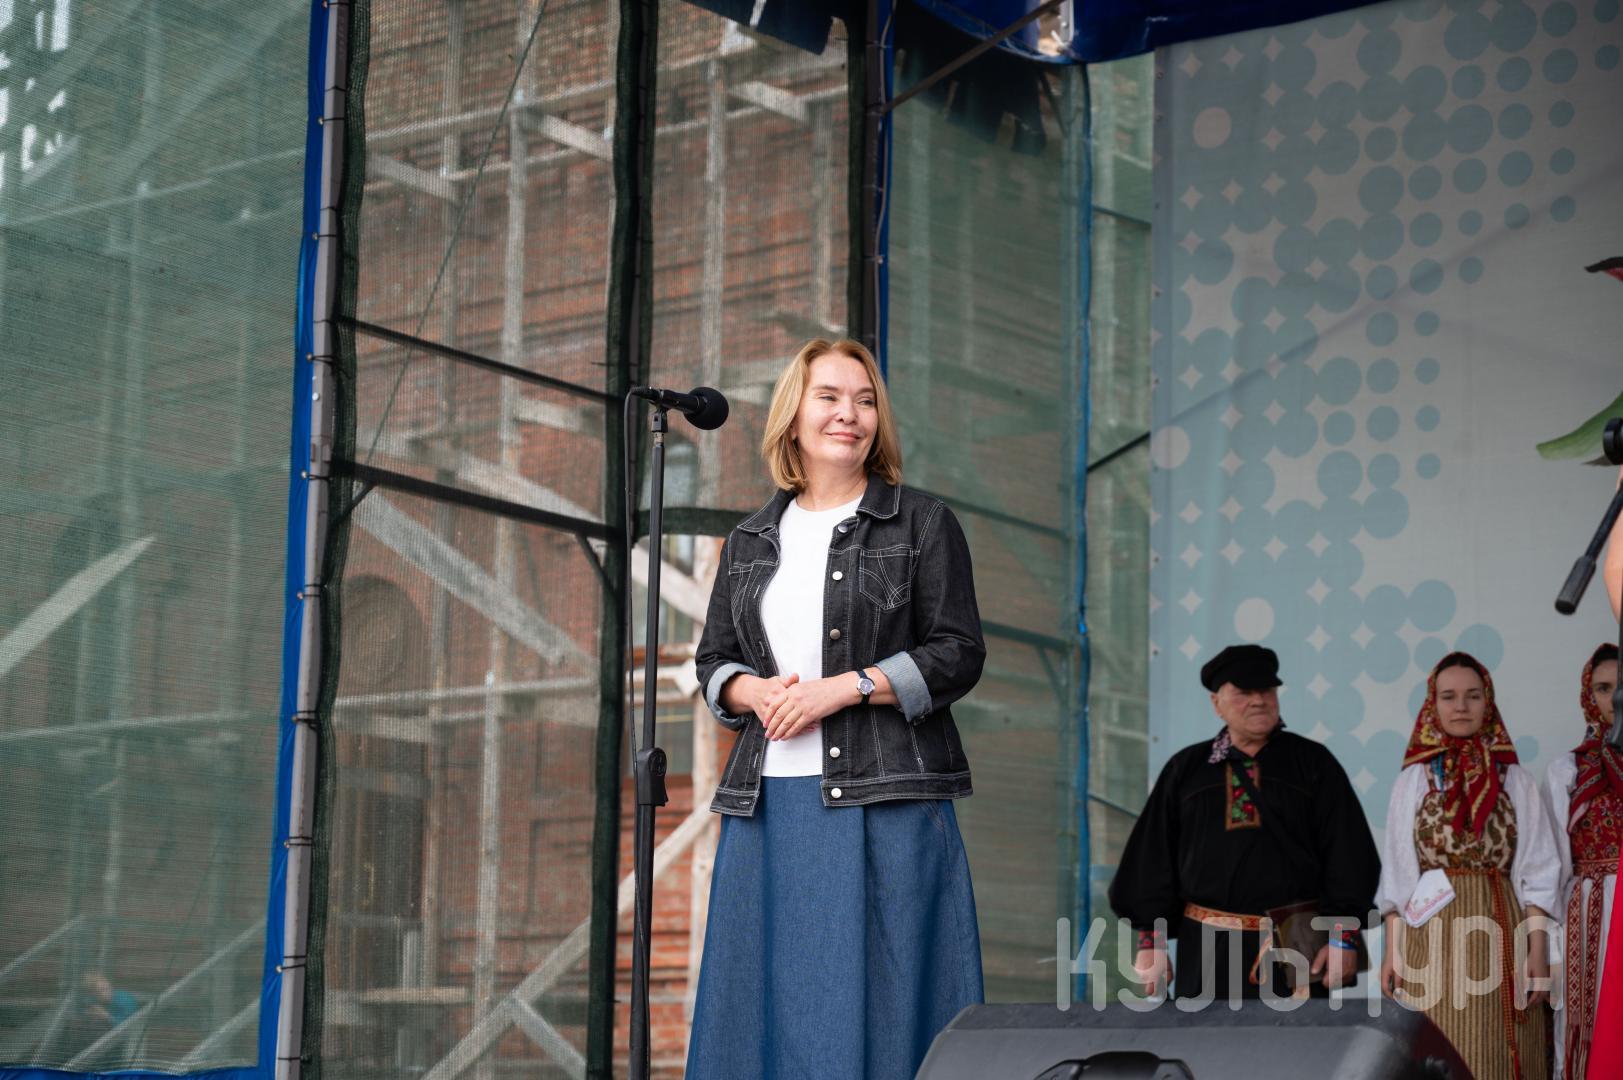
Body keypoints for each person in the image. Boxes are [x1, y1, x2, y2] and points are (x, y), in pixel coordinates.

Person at [686, 339, 986, 1080]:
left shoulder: (922, 523)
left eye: (864, 400)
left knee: (891, 1005)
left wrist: (846, 686)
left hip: (887, 800)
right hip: (768, 807)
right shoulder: (749, 539)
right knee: (763, 1010)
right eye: (828, 396)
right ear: (793, 416)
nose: (848, 413)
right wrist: (751, 691)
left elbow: (957, 652)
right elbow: (713, 661)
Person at [1109, 644, 1381, 1000]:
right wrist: (1152, 944)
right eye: (1243, 692)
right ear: (1216, 703)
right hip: (1205, 949)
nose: (1258, 701)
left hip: (1296, 948)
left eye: (1266, 690)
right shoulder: (1186, 770)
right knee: (1205, 1037)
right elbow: (1151, 860)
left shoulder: (1313, 763)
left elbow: (1348, 854)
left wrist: (1343, 938)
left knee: (1299, 1039)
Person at [1376, 652, 1559, 1080]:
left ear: (1487, 702)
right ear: (1432, 705)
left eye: (1473, 696)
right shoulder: (1414, 781)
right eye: (1449, 696)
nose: (1461, 706)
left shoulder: (1515, 780)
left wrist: (1537, 951)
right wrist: (1393, 953)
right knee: (1438, 1044)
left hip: (1502, 928)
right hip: (1430, 937)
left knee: (1498, 1048)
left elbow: (1538, 869)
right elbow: (1399, 875)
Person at [1546, 643, 1621, 1080]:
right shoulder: (1568, 770)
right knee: (1589, 1025)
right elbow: (1554, 862)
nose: (1614, 698)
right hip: (1593, 914)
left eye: (1621, 687)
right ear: (1587, 696)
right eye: (1603, 688)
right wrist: (1551, 948)